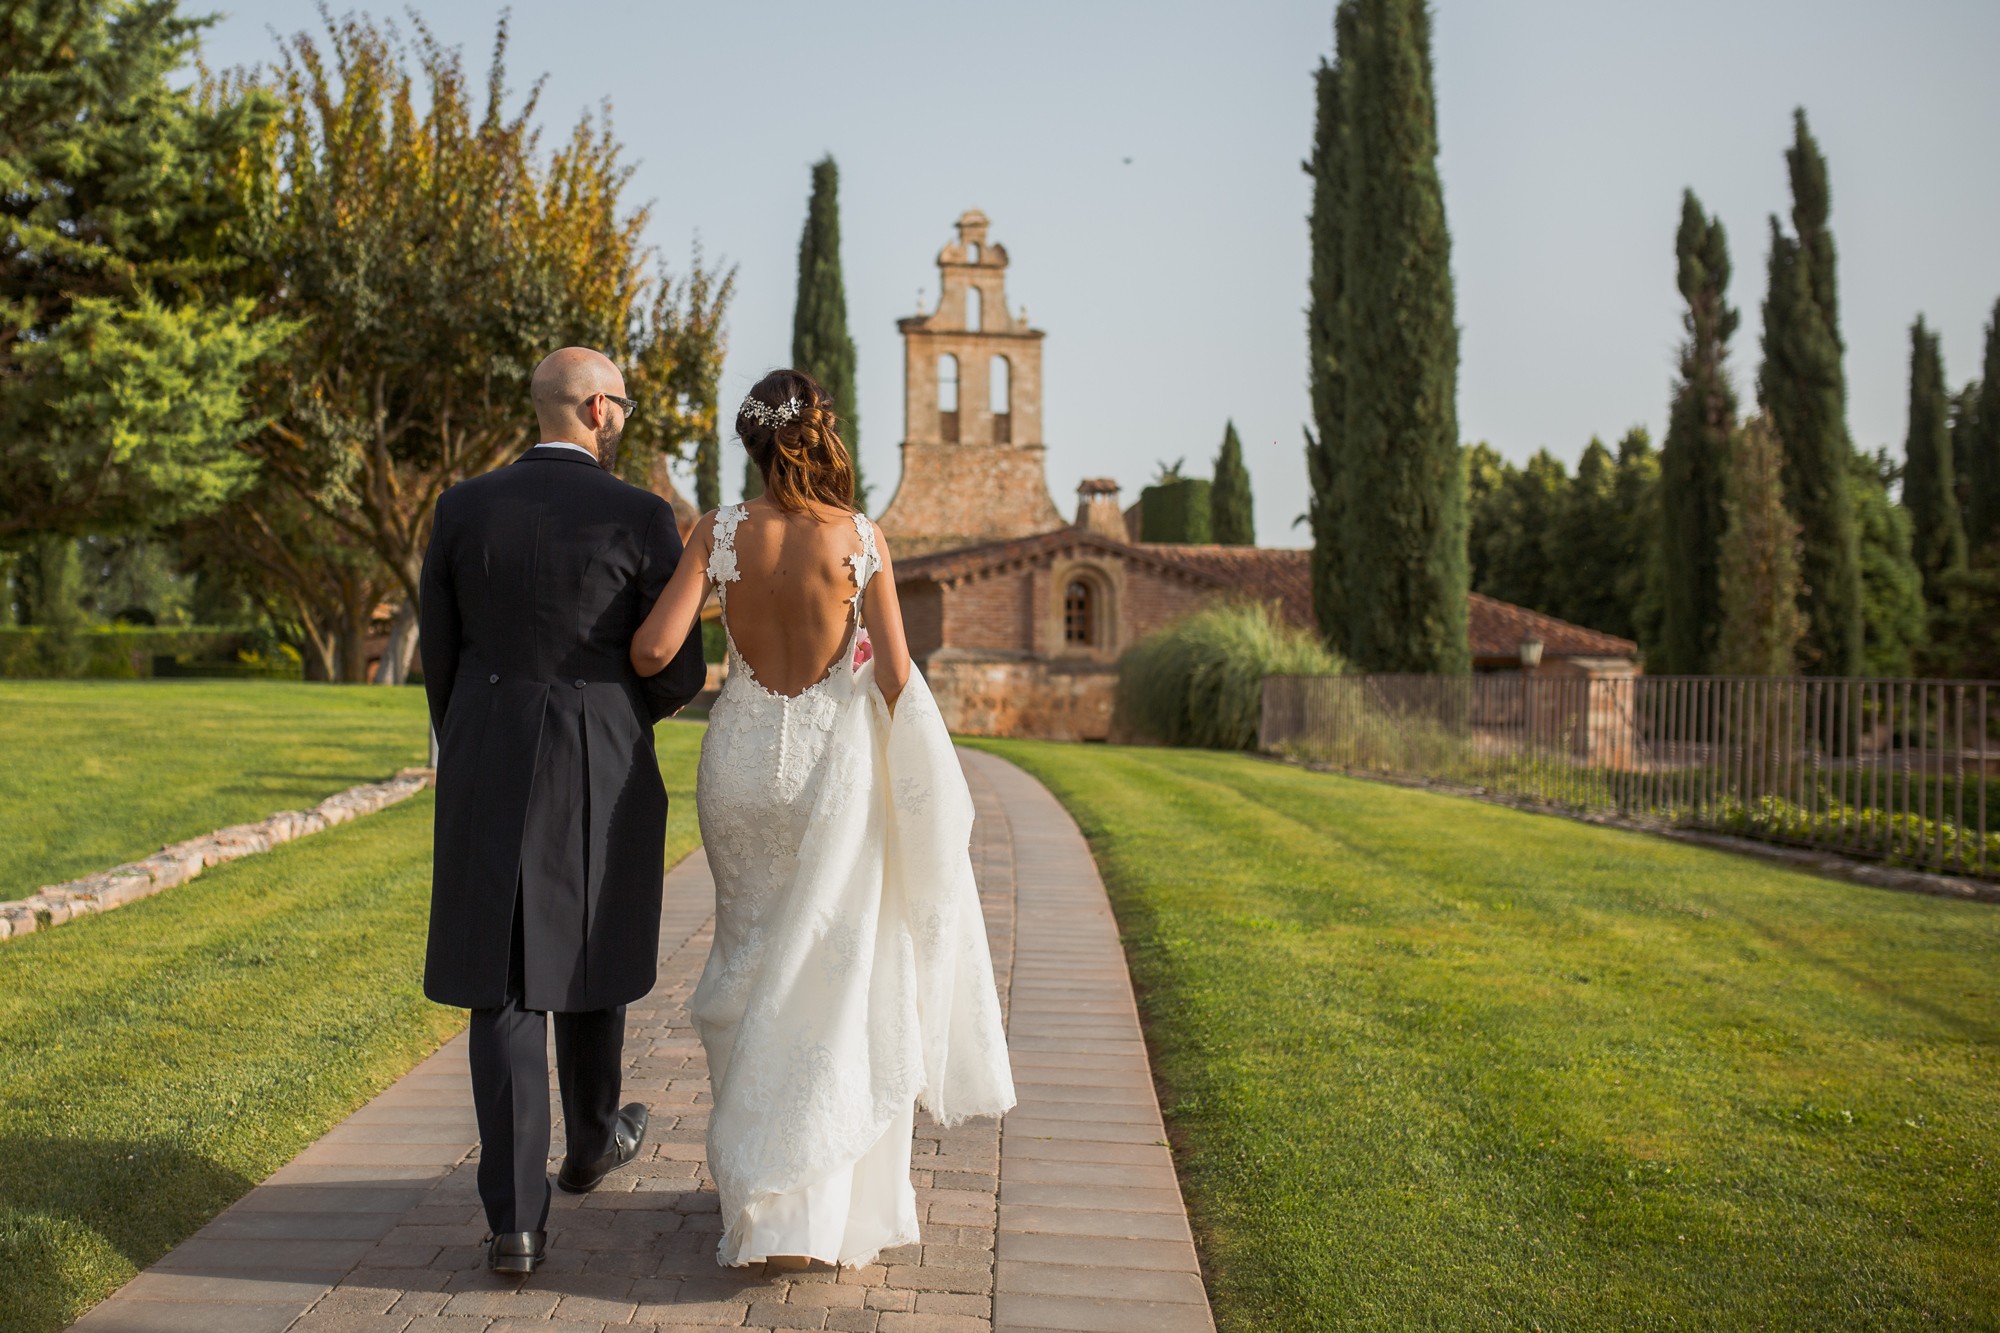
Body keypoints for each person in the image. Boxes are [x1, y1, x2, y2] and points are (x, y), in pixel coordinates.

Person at [630, 367, 1014, 1268]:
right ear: (821, 434)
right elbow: (892, 674)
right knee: (832, 970)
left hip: (737, 768)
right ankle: (815, 1203)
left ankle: (753, 1194)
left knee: (747, 958)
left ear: (755, 443)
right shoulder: (859, 539)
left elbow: (652, 648)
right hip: (825, 774)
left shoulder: (717, 532)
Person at [418, 346, 708, 1275]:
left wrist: (471, 736)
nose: (623, 415)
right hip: (602, 759)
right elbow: (682, 668)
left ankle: (515, 1220)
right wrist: (618, 715)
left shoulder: (461, 507)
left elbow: (442, 651)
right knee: (592, 944)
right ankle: (590, 1141)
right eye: (621, 401)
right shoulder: (641, 515)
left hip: (487, 750)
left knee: (502, 980)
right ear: (595, 411)